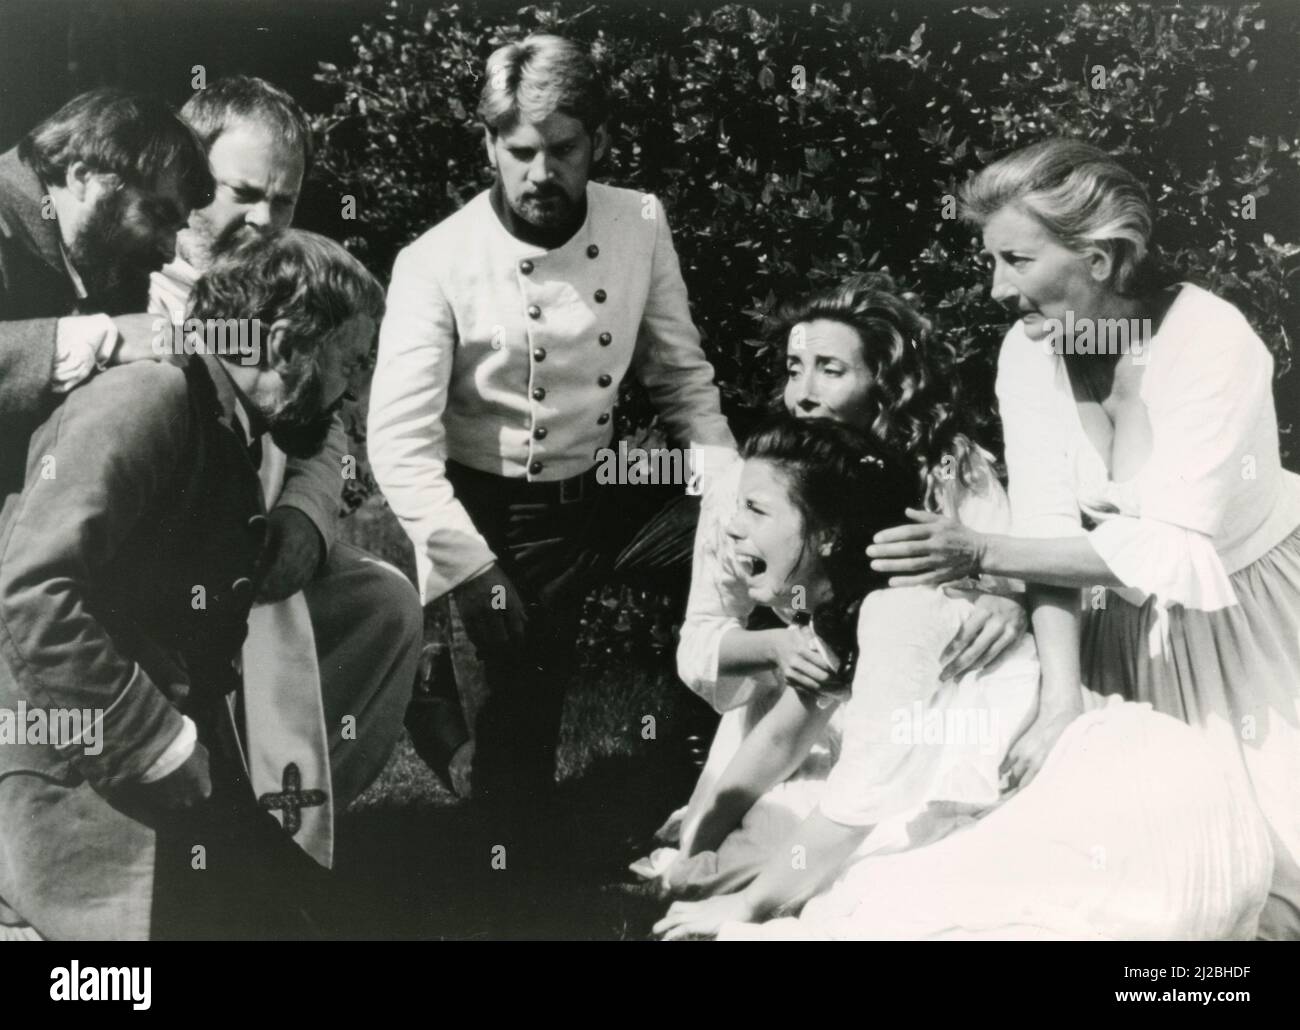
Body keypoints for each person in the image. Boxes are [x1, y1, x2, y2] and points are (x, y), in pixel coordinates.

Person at [866, 139, 1300, 940]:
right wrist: (1061, 701)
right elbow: (1046, 528)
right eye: (992, 261)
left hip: (1252, 615)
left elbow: (1175, 547)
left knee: (1270, 882)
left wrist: (978, 553)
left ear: (1099, 259)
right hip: (1118, 627)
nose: (996, 288)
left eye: (1016, 261)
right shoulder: (1027, 353)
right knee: (1125, 862)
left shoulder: (1214, 343)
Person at [652, 416, 1272, 940]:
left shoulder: (895, 611)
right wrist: (697, 845)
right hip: (1161, 807)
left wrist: (746, 906)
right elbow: (780, 742)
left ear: (830, 534)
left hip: (1138, 813)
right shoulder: (848, 618)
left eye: (755, 510)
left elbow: (856, 804)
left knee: (867, 908)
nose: (731, 529)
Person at [368, 34, 736, 835]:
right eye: (521, 151)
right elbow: (398, 444)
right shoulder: (435, 259)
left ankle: (698, 776)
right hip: (500, 506)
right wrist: (468, 571)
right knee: (516, 777)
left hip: (608, 481)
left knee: (745, 548)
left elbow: (680, 378)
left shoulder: (639, 218)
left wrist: (733, 494)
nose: (543, 174)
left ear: (597, 140)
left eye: (563, 149)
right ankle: (508, 835)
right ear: (490, 146)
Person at [0, 229, 385, 939]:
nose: (354, 389)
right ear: (281, 343)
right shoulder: (151, 396)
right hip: (67, 777)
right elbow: (30, 592)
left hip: (140, 769)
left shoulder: (215, 419)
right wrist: (158, 747)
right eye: (350, 359)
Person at [635, 275, 1028, 897]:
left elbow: (1004, 571)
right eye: (794, 370)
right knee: (753, 856)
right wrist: (776, 650)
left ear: (886, 380)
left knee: (899, 854)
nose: (804, 394)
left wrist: (1007, 600)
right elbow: (700, 642)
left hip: (926, 697)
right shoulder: (759, 483)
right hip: (801, 701)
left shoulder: (949, 466)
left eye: (830, 370)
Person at [148, 77, 422, 836]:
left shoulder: (290, 275)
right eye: (242, 192)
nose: (264, 221)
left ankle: (292, 813)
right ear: (188, 175)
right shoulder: (139, 283)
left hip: (268, 537)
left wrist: (305, 515)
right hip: (164, 556)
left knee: (384, 604)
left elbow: (319, 414)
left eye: (287, 200)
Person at [0, 87, 212, 497]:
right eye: (157, 214)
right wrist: (101, 339)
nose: (169, 252)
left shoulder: (107, 259)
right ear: (84, 177)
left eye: (177, 227)